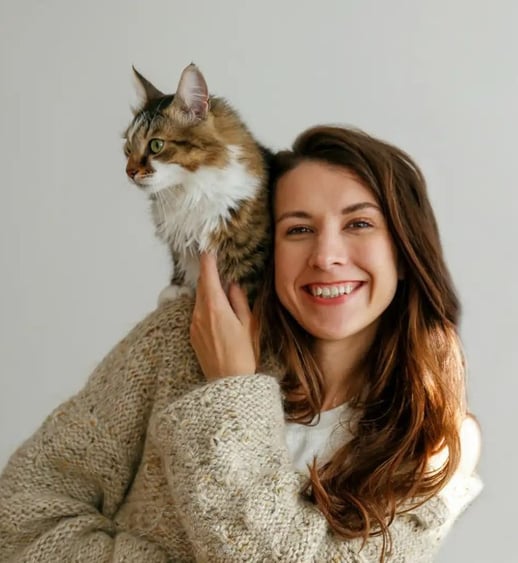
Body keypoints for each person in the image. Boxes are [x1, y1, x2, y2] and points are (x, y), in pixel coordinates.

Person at [0, 125, 483, 562]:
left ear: (404, 250)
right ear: (269, 247)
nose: (326, 256)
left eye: (359, 224)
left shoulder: (436, 437)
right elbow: (21, 516)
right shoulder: (182, 339)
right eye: (298, 229)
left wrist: (231, 392)